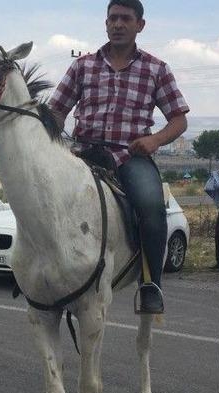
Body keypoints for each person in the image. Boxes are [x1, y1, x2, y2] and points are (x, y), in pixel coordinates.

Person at [48, 0, 189, 314]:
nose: (118, 24)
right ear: (106, 23)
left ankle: (151, 286)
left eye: (126, 18)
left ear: (140, 25)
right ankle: (37, 271)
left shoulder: (156, 69)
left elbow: (179, 120)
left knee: (152, 206)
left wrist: (154, 140)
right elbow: (58, 111)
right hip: (82, 153)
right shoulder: (82, 66)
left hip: (130, 157)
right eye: (112, 18)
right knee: (41, 195)